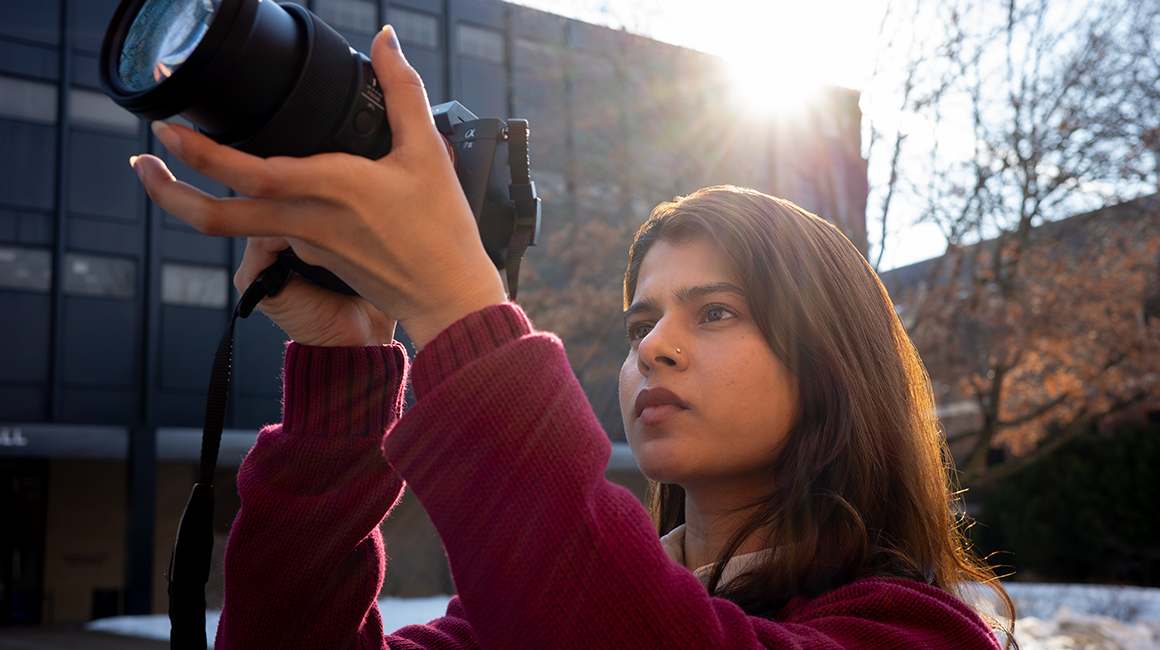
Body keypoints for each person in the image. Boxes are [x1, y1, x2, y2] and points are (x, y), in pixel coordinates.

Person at [130, 25, 1012, 649]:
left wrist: (458, 308)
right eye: (642, 322)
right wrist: (343, 369)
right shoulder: (503, 620)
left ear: (835, 365)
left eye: (715, 312)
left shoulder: (916, 629)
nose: (654, 348)